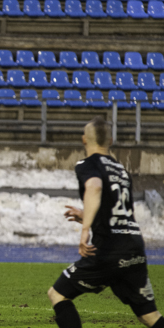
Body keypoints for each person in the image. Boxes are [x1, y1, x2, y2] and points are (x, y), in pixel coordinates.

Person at [47, 117, 164, 328]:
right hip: (134, 248)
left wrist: (84, 230)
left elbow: (94, 187)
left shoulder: (87, 164)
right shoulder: (121, 171)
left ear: (84, 140)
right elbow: (119, 212)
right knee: (149, 316)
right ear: (110, 140)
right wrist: (88, 215)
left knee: (57, 294)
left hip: (108, 250)